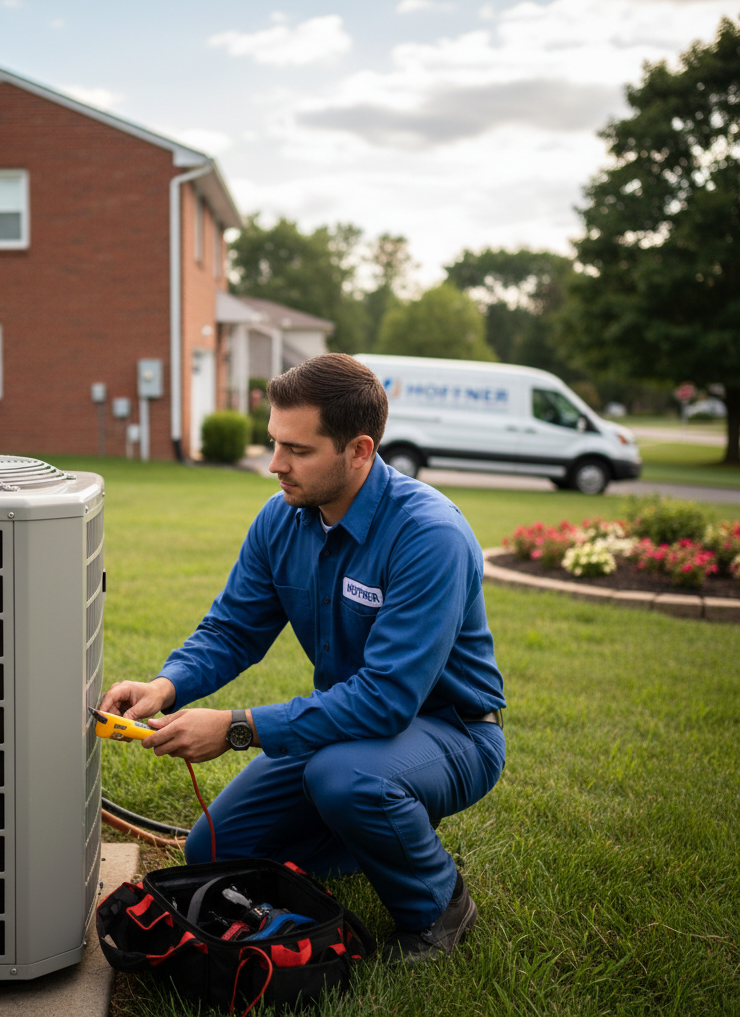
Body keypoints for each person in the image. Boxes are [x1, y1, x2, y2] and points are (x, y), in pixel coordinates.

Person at [99, 353, 506, 962]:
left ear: (360, 449)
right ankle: (375, 836)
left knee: (344, 780)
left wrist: (238, 727)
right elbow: (234, 628)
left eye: (298, 449)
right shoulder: (283, 516)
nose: (275, 464)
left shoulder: (430, 534)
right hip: (348, 732)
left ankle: (438, 903)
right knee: (214, 847)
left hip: (453, 732)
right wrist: (167, 685)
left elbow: (387, 700)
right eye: (273, 443)